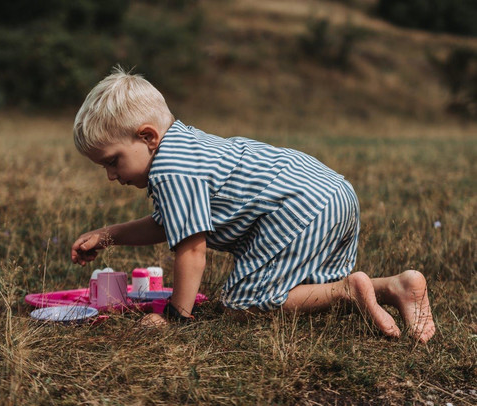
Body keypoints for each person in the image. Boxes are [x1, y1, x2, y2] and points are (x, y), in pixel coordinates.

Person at [71, 67, 435, 343]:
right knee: (300, 290)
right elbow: (168, 222)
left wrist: (175, 317)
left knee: (243, 303)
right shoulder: (185, 147)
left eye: (112, 161)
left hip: (298, 207)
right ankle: (395, 287)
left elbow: (192, 250)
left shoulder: (170, 170)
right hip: (331, 191)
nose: (111, 175)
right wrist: (109, 235)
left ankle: (348, 291)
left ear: (147, 137)